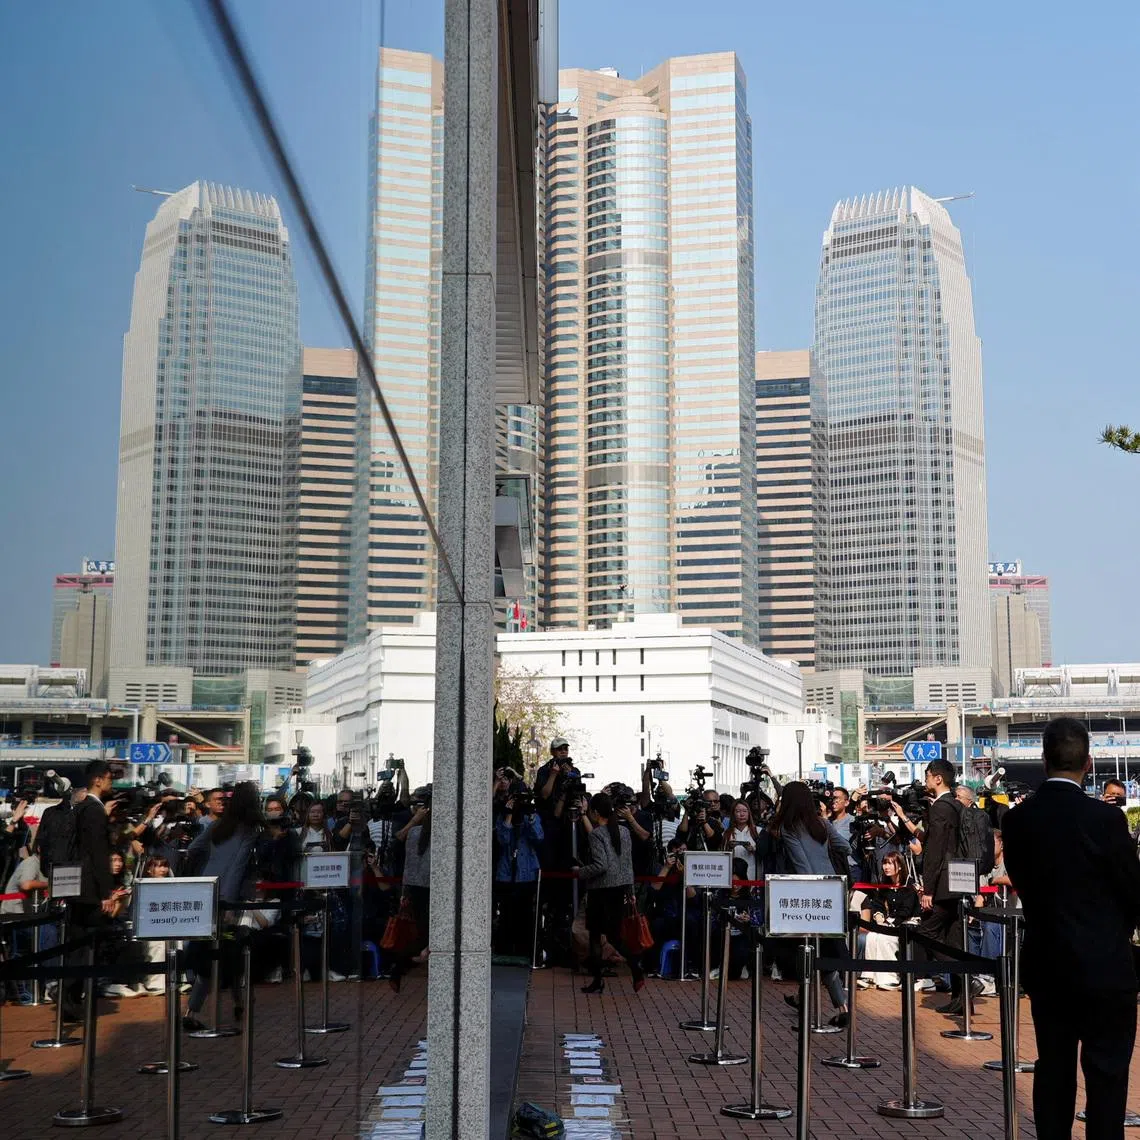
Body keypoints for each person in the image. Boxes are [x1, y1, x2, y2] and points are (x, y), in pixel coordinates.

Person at [1003, 717, 1140, 1140]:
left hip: (1048, 962)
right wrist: (1114, 932)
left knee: (1053, 1067)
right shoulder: (1107, 819)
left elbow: (1022, 880)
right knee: (1107, 1077)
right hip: (1106, 965)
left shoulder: (1017, 820)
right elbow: (1132, 891)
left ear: (1044, 761)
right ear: (1089, 762)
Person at [766, 781, 850, 1026]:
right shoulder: (822, 823)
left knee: (809, 951)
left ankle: (836, 1007)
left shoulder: (789, 827)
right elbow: (845, 847)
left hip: (807, 895)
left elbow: (802, 865)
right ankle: (831, 1003)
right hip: (832, 892)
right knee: (826, 950)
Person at [182, 781, 263, 1031]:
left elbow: (193, 848)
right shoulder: (249, 830)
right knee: (227, 949)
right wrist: (228, 903)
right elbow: (237, 867)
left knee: (217, 949)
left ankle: (201, 1008)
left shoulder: (218, 825)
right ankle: (223, 1005)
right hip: (228, 897)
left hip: (206, 890)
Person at [915, 757, 973, 1016]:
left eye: (928, 775)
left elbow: (935, 851)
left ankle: (969, 978)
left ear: (938, 778)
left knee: (926, 932)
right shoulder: (957, 805)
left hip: (943, 884)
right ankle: (962, 999)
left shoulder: (941, 807)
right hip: (960, 880)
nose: (925, 780)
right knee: (953, 940)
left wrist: (928, 889)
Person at [575, 791, 644, 994]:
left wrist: (580, 871)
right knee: (614, 935)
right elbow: (627, 864)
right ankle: (634, 968)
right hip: (619, 889)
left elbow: (600, 865)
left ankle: (601, 979)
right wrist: (630, 890)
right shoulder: (624, 831)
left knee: (596, 936)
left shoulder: (596, 834)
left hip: (600, 890)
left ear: (596, 812)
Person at [493, 782, 544, 959]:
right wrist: (508, 815)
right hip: (506, 872)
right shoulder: (502, 815)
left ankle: (524, 949)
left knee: (525, 913)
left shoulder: (532, 815)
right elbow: (502, 840)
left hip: (527, 871)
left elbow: (538, 837)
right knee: (506, 912)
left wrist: (530, 816)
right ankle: (505, 948)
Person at [388, 787, 432, 991]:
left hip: (416, 887)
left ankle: (403, 965)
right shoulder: (419, 833)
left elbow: (405, 860)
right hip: (426, 888)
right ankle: (402, 965)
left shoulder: (415, 832)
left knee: (422, 933)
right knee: (423, 934)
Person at [857, 850, 920, 990]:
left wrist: (888, 923)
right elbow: (877, 904)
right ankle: (869, 975)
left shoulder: (909, 886)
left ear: (900, 866)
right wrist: (878, 915)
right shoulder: (885, 886)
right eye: (885, 863)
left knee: (885, 938)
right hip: (890, 924)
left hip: (907, 925)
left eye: (891, 863)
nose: (886, 867)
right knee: (872, 937)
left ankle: (891, 977)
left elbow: (906, 911)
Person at [722, 800, 760, 881]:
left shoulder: (758, 831)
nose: (742, 814)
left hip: (753, 874)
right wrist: (730, 848)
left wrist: (753, 849)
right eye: (738, 811)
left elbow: (765, 854)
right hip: (733, 875)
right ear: (733, 814)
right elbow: (723, 857)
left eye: (745, 811)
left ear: (749, 813)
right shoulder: (727, 834)